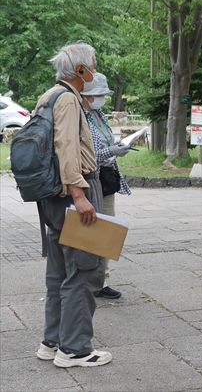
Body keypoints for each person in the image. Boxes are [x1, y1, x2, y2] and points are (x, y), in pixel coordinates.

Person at [34, 42, 112, 367]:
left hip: (50, 197)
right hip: (73, 192)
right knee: (83, 270)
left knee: (58, 271)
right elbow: (66, 147)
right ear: (80, 70)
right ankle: (76, 349)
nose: (94, 70)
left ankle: (52, 342)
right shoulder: (68, 99)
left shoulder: (48, 96)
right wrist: (80, 195)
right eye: (92, 65)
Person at [79, 72, 132, 300]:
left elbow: (106, 142)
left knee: (108, 229)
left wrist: (116, 146)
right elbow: (86, 156)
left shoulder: (99, 114)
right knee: (92, 231)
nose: (101, 98)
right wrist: (111, 151)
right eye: (97, 94)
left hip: (108, 178)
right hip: (91, 180)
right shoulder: (80, 117)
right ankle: (89, 280)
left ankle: (102, 279)